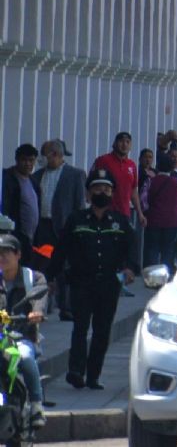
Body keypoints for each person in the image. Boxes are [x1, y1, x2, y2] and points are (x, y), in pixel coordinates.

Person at [49, 169, 136, 390]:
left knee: (102, 330)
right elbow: (61, 250)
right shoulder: (76, 220)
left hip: (108, 284)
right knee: (80, 327)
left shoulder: (120, 222)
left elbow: (131, 250)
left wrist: (129, 269)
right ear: (88, 194)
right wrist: (49, 277)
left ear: (112, 193)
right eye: (97, 188)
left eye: (106, 189)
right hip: (81, 283)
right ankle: (76, 371)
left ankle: (93, 375)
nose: (102, 192)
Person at [31, 139, 86, 320]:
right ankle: (42, 306)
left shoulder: (75, 175)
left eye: (44, 154)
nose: (41, 159)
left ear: (55, 154)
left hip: (64, 228)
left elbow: (79, 205)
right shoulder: (37, 175)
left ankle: (66, 307)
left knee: (65, 269)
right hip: (42, 227)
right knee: (42, 268)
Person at [0, 234, 48, 427]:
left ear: (18, 254)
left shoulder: (33, 278)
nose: (2, 257)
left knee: (26, 356)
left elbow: (40, 298)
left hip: (21, 337)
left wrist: (36, 312)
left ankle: (37, 405)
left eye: (6, 252)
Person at [92, 132, 148, 228]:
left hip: (124, 214)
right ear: (114, 144)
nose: (124, 144)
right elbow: (90, 183)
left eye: (127, 142)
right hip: (104, 212)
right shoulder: (103, 160)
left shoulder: (132, 165)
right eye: (121, 141)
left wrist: (140, 213)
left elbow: (133, 192)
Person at [1, 144, 41, 262]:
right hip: (14, 233)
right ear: (17, 160)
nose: (28, 164)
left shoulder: (33, 181)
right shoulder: (7, 178)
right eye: (24, 160)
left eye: (31, 160)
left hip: (30, 239)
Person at [143, 155, 177, 268]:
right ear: (171, 168)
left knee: (153, 248)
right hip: (172, 220)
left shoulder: (151, 181)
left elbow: (144, 200)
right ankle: (166, 274)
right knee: (168, 249)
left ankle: (151, 273)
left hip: (154, 219)